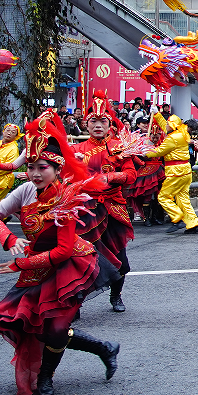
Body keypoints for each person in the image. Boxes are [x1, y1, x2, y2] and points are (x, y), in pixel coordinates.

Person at [0, 117, 120, 395]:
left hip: (71, 264)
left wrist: (19, 263)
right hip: (38, 265)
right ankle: (103, 348)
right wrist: (9, 238)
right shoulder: (24, 191)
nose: (35, 173)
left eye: (42, 167)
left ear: (58, 168)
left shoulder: (67, 197)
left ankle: (46, 375)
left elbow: (63, 251)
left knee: (56, 327)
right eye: (30, 167)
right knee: (19, 321)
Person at [70, 91, 138, 313]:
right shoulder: (78, 150)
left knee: (121, 259)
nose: (98, 125)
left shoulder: (120, 147)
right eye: (93, 121)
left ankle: (116, 295)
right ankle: (76, 300)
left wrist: (109, 177)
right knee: (80, 257)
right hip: (85, 209)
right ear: (86, 124)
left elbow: (131, 175)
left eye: (103, 121)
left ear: (110, 124)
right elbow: (65, 177)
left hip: (113, 208)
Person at [144, 113, 198, 234]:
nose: (166, 125)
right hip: (184, 170)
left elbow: (159, 151)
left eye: (168, 123)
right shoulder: (180, 132)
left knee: (163, 196)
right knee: (183, 198)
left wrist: (145, 151)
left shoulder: (173, 138)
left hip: (176, 171)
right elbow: (164, 126)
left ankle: (177, 218)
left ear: (172, 125)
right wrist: (156, 114)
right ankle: (193, 223)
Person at [127, 112, 168, 226]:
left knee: (158, 195)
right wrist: (141, 162)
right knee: (147, 195)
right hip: (147, 171)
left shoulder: (163, 143)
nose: (155, 138)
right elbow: (132, 154)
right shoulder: (142, 142)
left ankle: (155, 217)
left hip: (160, 170)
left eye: (157, 136)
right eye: (153, 136)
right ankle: (147, 218)